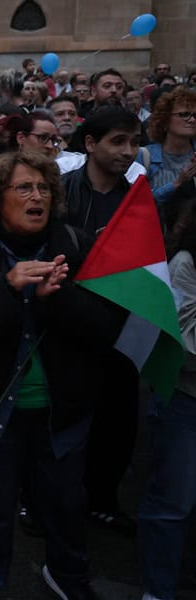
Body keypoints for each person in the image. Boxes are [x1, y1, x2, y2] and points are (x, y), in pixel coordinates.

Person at [0, 151, 124, 599]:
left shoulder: (76, 247)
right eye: (24, 188)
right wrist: (7, 288)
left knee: (66, 507)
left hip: (62, 413)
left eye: (43, 189)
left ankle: (68, 577)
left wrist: (58, 300)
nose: (37, 196)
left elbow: (107, 326)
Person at [63, 106, 143, 533]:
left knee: (116, 422)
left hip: (121, 330)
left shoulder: (139, 200)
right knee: (63, 421)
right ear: (91, 144)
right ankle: (43, 499)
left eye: (133, 142)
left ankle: (102, 498)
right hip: (67, 330)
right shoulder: (61, 192)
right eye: (118, 141)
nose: (128, 152)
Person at [140, 193, 196, 600]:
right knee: (172, 503)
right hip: (186, 400)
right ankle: (158, 591)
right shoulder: (186, 265)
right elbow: (181, 341)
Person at [145, 88, 196, 205]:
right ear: (165, 119)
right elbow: (140, 202)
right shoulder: (145, 156)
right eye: (184, 114)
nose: (192, 120)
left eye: (195, 115)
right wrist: (177, 182)